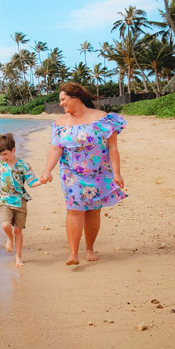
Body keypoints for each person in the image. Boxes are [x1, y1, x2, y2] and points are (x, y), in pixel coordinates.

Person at [41, 82, 126, 266]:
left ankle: (89, 248)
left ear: (76, 97)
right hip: (71, 173)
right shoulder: (59, 124)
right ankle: (73, 253)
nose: (61, 104)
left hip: (99, 173)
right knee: (74, 210)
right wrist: (47, 170)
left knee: (93, 211)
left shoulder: (103, 119)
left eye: (63, 100)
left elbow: (113, 148)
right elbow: (55, 149)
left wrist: (117, 174)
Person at [0, 133, 45, 267]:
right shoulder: (0, 164)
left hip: (20, 201)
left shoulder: (23, 166)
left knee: (18, 230)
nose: (2, 157)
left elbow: (32, 182)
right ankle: (9, 239)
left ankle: (18, 257)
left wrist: (42, 181)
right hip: (4, 199)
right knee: (5, 225)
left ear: (13, 150)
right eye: (0, 155)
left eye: (5, 154)